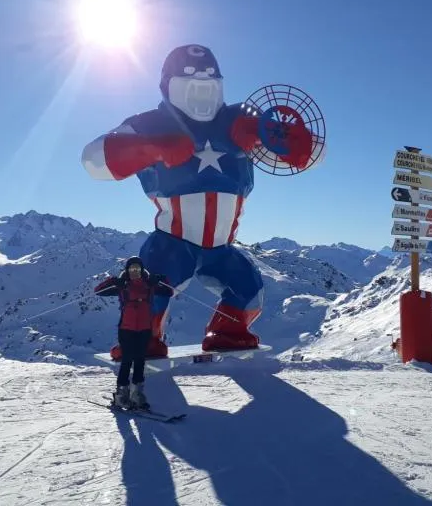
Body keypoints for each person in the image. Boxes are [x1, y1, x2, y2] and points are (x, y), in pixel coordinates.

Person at [82, 45, 317, 355]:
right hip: (172, 243)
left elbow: (304, 149)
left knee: (249, 291)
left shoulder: (241, 119)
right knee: (152, 292)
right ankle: (145, 338)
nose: (200, 93)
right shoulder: (151, 123)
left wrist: (294, 143)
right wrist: (148, 147)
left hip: (222, 248)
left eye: (209, 85)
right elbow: (92, 159)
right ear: (169, 86)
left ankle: (228, 332)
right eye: (189, 84)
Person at [94, 256, 173, 409]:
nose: (134, 271)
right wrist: (113, 281)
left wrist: (161, 279)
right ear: (127, 270)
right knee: (126, 361)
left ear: (142, 270)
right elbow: (98, 291)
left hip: (144, 330)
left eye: (137, 268)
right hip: (126, 329)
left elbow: (168, 292)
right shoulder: (122, 285)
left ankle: (136, 394)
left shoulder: (149, 285)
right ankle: (121, 394)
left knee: (140, 361)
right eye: (132, 269)